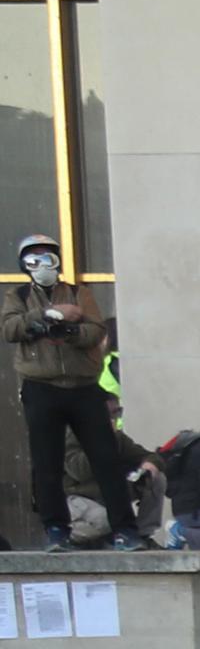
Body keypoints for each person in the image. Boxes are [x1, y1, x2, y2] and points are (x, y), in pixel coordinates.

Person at [10, 233, 139, 550]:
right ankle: (56, 529)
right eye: (34, 259)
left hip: (83, 387)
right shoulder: (19, 295)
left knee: (105, 457)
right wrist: (44, 317)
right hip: (42, 386)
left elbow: (96, 330)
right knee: (47, 462)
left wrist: (70, 331)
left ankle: (125, 529)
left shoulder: (80, 293)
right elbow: (9, 328)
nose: (42, 265)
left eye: (48, 257)